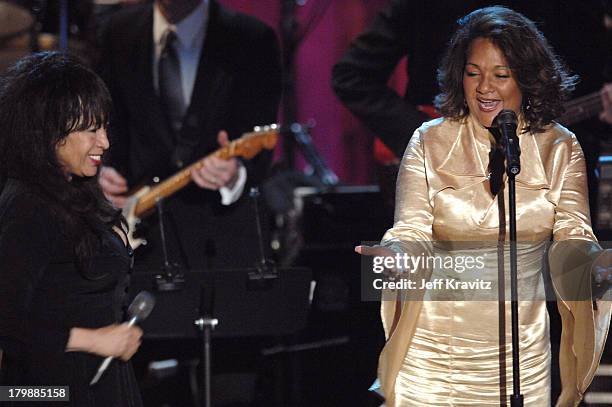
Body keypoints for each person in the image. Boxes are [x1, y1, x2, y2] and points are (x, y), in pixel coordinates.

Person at [355, 7, 611, 406]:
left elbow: (573, 236)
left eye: (500, 75)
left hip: (521, 358)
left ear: (527, 78)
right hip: (433, 359)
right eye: (473, 73)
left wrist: (595, 264)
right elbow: (412, 231)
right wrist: (396, 257)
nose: (484, 88)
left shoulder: (560, 148)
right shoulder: (429, 142)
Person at [0, 52, 143, 406]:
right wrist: (93, 340)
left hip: (103, 385)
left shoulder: (78, 191)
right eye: (91, 130)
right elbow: (7, 323)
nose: (105, 142)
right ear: (48, 131)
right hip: (53, 391)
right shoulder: (26, 205)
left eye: (105, 127)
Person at [96, 0, 282, 272]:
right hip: (140, 236)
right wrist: (103, 170)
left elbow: (261, 141)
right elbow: (110, 119)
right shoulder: (118, 30)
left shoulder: (252, 37)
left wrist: (235, 174)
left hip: (221, 237)